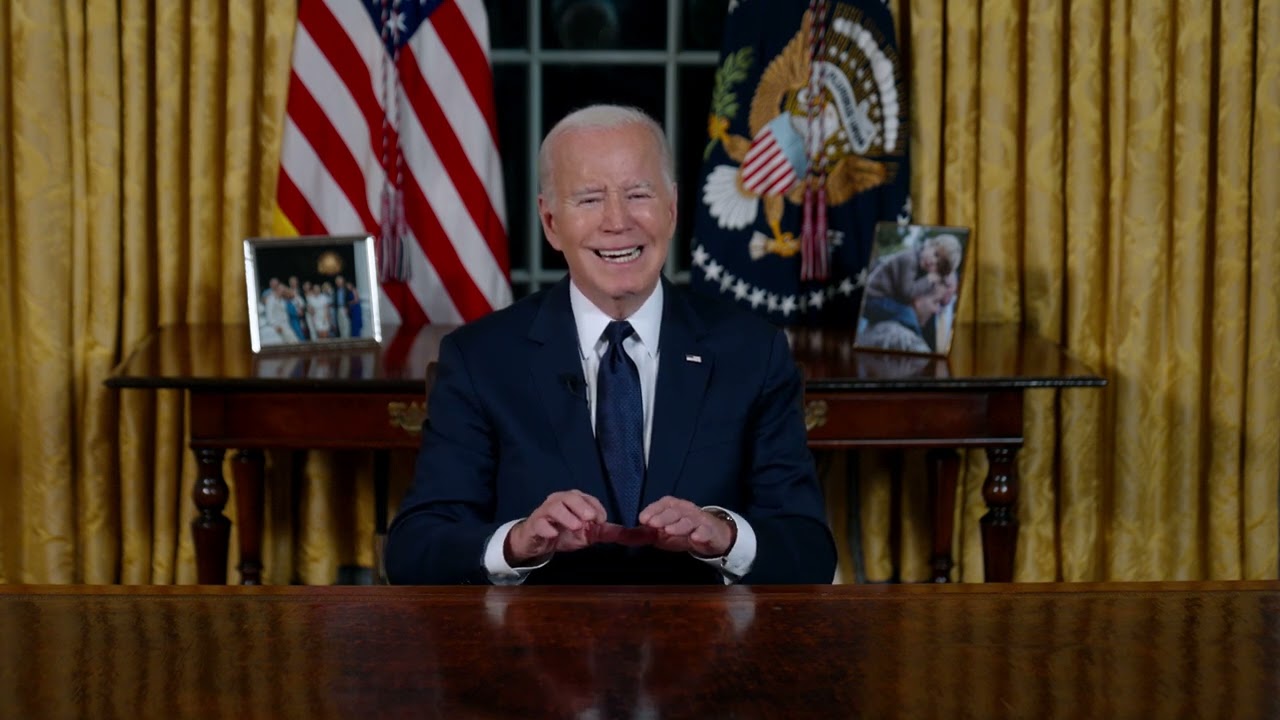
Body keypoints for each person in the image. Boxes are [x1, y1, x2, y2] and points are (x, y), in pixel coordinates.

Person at [385, 104, 836, 585]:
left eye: (638, 194)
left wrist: (725, 535)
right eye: (589, 199)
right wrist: (516, 542)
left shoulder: (753, 353)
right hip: (536, 651)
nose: (617, 221)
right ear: (551, 221)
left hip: (706, 650)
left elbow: (809, 550)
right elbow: (415, 549)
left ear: (672, 209)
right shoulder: (480, 359)